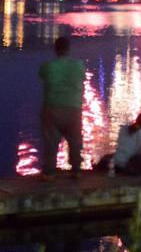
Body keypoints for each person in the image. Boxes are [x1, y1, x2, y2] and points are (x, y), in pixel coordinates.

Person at [38, 36, 86, 177]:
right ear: (69, 49)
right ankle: (76, 170)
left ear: (55, 50)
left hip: (52, 108)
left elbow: (41, 76)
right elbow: (82, 77)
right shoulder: (79, 65)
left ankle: (49, 172)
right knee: (75, 140)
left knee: (51, 142)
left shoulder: (48, 66)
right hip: (74, 109)